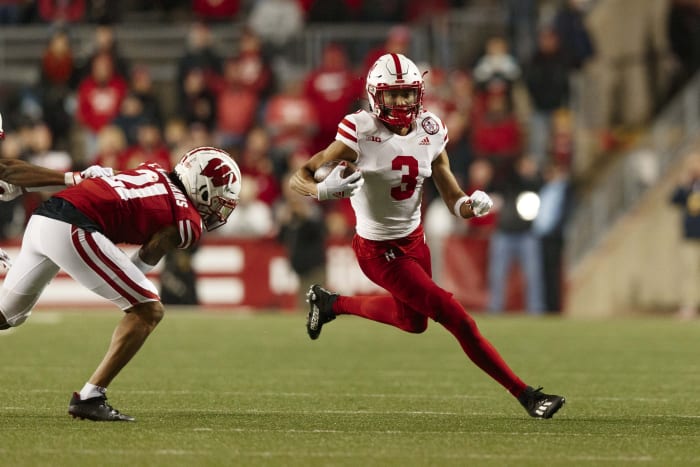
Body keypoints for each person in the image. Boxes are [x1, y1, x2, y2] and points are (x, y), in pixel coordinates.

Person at [289, 53, 566, 419]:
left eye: (408, 93)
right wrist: (322, 191)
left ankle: (331, 304)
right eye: (394, 94)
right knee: (457, 318)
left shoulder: (431, 128)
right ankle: (526, 395)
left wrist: (470, 205)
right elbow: (300, 177)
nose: (403, 102)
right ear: (376, 96)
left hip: (415, 241)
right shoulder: (359, 130)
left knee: (413, 322)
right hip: (378, 249)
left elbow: (450, 192)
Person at [0, 134, 242, 421]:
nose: (219, 207)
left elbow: (106, 179)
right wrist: (129, 293)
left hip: (44, 219)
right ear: (203, 189)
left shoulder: (153, 169)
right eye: (220, 197)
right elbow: (149, 254)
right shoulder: (186, 218)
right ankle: (90, 396)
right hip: (72, 225)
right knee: (149, 310)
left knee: (5, 316)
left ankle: (91, 396)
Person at [670, 153, 700, 319]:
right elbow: (673, 200)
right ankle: (689, 306)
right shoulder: (688, 186)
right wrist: (682, 185)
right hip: (690, 235)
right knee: (689, 272)